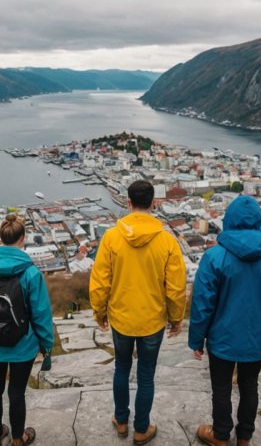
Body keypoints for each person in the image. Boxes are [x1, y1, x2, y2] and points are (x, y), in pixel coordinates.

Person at [188, 195, 261, 446]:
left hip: (222, 336)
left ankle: (221, 434)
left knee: (221, 388)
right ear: (259, 221)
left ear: (229, 220)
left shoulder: (214, 257)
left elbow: (202, 303)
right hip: (258, 337)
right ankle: (245, 436)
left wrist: (196, 339)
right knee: (249, 385)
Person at [90, 180, 187, 445]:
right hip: (152, 320)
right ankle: (141, 428)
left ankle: (121, 420)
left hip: (121, 319)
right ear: (153, 203)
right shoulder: (167, 240)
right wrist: (176, 318)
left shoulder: (111, 238)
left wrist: (100, 312)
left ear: (128, 203)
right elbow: (176, 287)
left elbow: (100, 282)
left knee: (121, 369)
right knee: (146, 375)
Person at [0, 214, 54, 446]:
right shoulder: (31, 273)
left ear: (0, 238)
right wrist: (46, 345)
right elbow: (41, 314)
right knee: (17, 392)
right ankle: (18, 439)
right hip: (23, 345)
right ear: (22, 238)